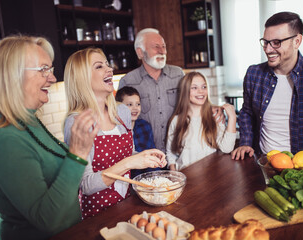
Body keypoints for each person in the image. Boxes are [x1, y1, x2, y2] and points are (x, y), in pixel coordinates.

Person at [0, 35, 98, 240]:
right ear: (13, 76)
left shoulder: (29, 121)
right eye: (43, 69)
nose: (52, 78)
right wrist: (78, 153)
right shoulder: (5, 140)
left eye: (50, 70)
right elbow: (48, 220)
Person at [63, 47, 166, 219]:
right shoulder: (77, 122)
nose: (109, 69)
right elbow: (86, 185)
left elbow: (127, 153)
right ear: (82, 78)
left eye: (107, 64)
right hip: (96, 215)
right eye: (99, 66)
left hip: (126, 204)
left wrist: (144, 155)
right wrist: (130, 162)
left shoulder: (122, 112)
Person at [231, 11, 303, 167]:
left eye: (276, 42)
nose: (268, 49)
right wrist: (245, 142)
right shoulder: (254, 74)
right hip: (265, 165)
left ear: (297, 41)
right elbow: (246, 112)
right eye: (265, 42)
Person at [118, 28, 224, 153]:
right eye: (156, 47)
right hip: (147, 155)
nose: (162, 51)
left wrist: (211, 108)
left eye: (164, 46)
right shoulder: (128, 81)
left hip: (178, 152)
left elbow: (193, 100)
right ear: (140, 52)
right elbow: (120, 121)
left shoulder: (178, 74)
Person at [166, 72, 237, 171]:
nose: (201, 91)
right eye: (194, 88)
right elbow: (170, 153)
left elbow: (227, 148)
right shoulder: (176, 120)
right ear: (185, 92)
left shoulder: (215, 116)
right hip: (185, 175)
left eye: (204, 87)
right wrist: (174, 175)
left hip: (210, 175)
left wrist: (232, 118)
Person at [115, 86, 160, 178]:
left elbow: (152, 154)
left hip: (148, 178)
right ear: (118, 107)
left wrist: (156, 176)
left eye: (138, 104)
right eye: (129, 105)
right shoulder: (115, 131)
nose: (135, 108)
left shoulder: (145, 126)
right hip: (126, 180)